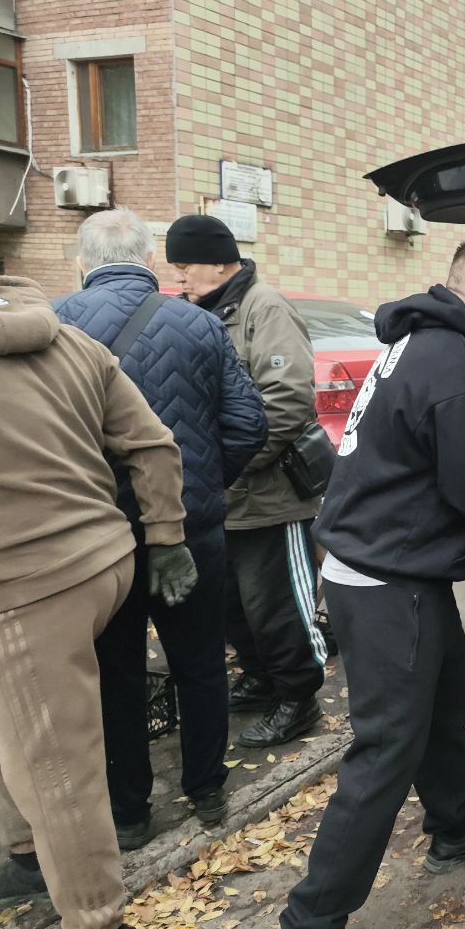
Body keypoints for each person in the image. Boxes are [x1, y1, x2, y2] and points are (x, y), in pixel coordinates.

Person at [279, 237, 465, 929]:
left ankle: (453, 828)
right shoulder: (454, 362)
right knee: (385, 749)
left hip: (397, 565)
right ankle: (311, 919)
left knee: (447, 698)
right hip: (384, 580)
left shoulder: (431, 342)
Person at [55, 208, 268, 849]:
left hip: (96, 538)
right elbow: (249, 424)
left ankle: (129, 813)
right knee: (200, 662)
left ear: (82, 266)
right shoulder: (200, 323)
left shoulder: (57, 324)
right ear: (150, 262)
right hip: (191, 531)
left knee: (114, 671)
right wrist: (199, 488)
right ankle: (206, 789)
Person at [0, 275, 197, 929]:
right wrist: (166, 536)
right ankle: (27, 854)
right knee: (22, 729)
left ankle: (98, 922)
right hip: (108, 558)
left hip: (30, 584)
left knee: (58, 769)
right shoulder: (75, 342)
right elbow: (154, 442)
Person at [166, 214, 327, 748]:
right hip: (223, 498)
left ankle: (299, 699)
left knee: (278, 607)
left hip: (267, 495)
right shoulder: (203, 312)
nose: (180, 278)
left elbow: (286, 402)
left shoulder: (265, 307)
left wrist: (229, 463)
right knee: (235, 606)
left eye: (184, 266)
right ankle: (260, 679)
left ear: (216, 261)